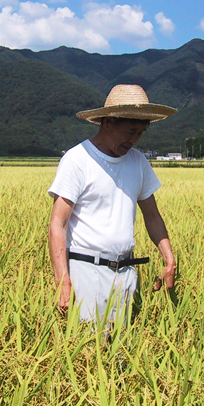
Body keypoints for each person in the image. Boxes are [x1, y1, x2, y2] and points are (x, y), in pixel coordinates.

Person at [48, 84, 178, 322]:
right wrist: (63, 280)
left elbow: (152, 216)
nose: (134, 140)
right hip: (87, 272)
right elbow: (58, 223)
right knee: (88, 351)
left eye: (140, 132)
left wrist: (169, 258)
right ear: (108, 122)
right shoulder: (78, 159)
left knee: (123, 350)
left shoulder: (138, 162)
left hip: (127, 272)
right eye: (130, 131)